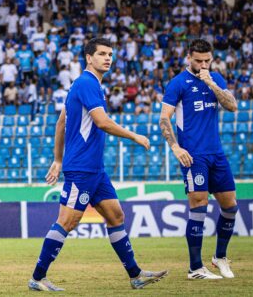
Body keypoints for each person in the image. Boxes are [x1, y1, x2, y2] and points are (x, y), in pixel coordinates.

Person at [29, 38, 166, 291]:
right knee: (67, 222)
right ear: (88, 58)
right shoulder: (87, 83)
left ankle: (135, 275)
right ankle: (37, 278)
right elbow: (102, 122)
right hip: (81, 169)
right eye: (102, 53)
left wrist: (58, 159)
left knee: (116, 215)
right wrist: (134, 135)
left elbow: (61, 123)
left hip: (95, 170)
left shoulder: (82, 86)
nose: (108, 58)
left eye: (110, 54)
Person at [160, 39, 239, 280]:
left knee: (230, 207)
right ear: (189, 58)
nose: (203, 64)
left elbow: (232, 106)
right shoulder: (178, 84)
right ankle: (195, 268)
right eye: (198, 60)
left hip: (217, 153)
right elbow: (164, 119)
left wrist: (211, 83)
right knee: (199, 208)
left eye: (207, 60)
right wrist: (175, 147)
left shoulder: (215, 79)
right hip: (194, 156)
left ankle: (220, 257)